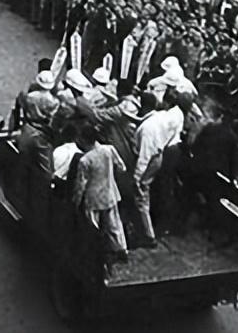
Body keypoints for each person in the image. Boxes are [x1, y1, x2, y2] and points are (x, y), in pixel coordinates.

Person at [71, 123, 129, 262]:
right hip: (110, 192)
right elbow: (122, 167)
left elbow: (81, 184)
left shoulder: (85, 160)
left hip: (93, 197)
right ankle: (122, 250)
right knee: (114, 224)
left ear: (84, 140)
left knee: (92, 227)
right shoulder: (109, 150)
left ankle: (95, 254)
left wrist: (76, 201)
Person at [132, 91, 183, 247]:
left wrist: (137, 177)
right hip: (159, 153)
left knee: (141, 195)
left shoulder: (148, 128)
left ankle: (148, 235)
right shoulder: (161, 116)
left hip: (151, 159)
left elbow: (144, 156)